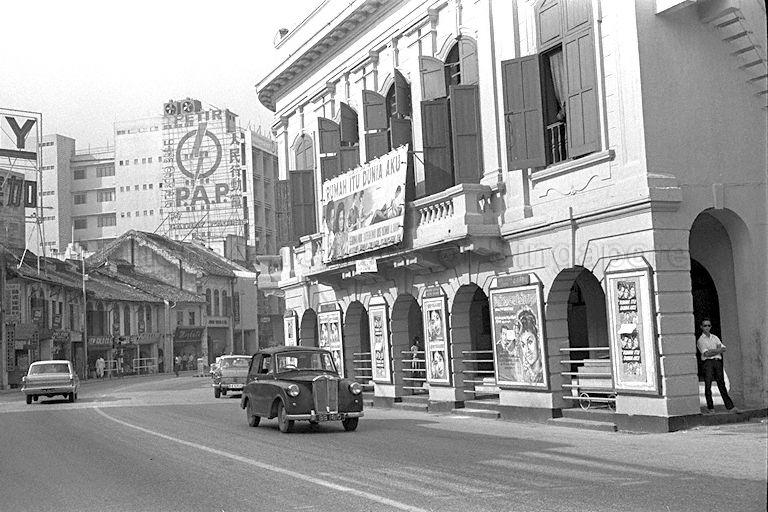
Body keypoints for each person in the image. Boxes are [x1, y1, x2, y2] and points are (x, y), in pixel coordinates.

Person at [697, 318, 737, 413]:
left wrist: (713, 351)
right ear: (701, 327)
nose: (707, 327)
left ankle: (730, 407)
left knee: (721, 384)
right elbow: (706, 354)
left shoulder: (715, 337)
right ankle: (710, 408)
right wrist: (717, 350)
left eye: (709, 325)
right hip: (708, 363)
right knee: (708, 385)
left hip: (717, 362)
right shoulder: (701, 340)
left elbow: (723, 348)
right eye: (705, 325)